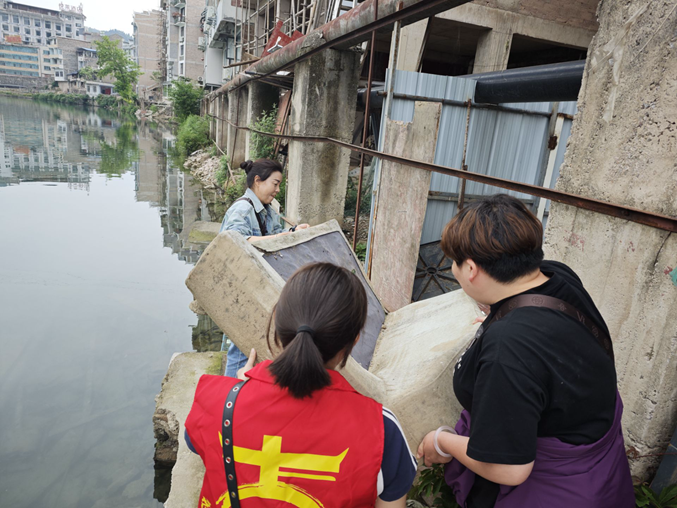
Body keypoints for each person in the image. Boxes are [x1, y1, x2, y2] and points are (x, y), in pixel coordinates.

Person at [417, 194, 633, 507]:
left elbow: (510, 469)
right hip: (598, 464)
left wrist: (442, 441)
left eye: (455, 262)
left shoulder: (508, 345)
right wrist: (497, 315)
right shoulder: (558, 276)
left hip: (551, 492)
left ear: (471, 269)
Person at [185, 262, 417, 507]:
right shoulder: (383, 431)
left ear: (277, 323)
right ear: (354, 340)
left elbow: (199, 445)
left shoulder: (217, 402)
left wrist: (237, 392)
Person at [219, 158, 308, 377]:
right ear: (258, 181)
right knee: (241, 345)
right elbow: (237, 240)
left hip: (255, 284)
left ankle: (240, 388)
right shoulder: (242, 209)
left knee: (247, 342)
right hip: (240, 286)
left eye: (279, 185)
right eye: (275, 184)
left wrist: (293, 232)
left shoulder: (267, 210)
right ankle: (232, 391)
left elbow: (274, 236)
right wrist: (283, 236)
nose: (277, 190)